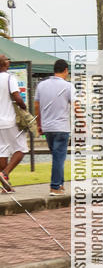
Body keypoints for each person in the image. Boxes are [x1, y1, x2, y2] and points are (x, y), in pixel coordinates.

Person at [34, 59, 75, 196]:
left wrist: (39, 124)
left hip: (48, 127)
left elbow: (36, 106)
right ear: (66, 70)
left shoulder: (41, 85)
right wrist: (83, 122)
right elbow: (76, 107)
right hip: (62, 127)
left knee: (57, 156)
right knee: (58, 157)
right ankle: (55, 186)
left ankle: (61, 184)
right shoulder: (68, 86)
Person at [0, 54, 29, 192]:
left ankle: (5, 185)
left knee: (2, 151)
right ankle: (4, 174)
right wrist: (23, 107)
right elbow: (17, 97)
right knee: (21, 149)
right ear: (4, 64)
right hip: (9, 120)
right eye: (6, 59)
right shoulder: (10, 78)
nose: (8, 60)